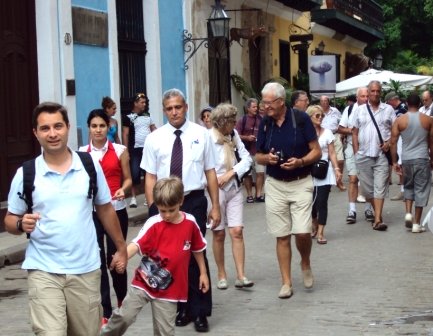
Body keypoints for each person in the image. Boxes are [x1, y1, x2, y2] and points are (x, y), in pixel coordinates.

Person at [4, 102, 127, 335]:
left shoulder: (89, 166)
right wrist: (20, 224)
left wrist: (121, 247)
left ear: (68, 127)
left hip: (85, 269)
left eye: (58, 126)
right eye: (45, 128)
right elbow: (10, 219)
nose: (52, 133)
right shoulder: (26, 174)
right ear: (35, 133)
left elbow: (105, 209)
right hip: (44, 270)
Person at [141, 88, 221, 332]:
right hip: (164, 205)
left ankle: (200, 311)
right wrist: (153, 208)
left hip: (193, 200)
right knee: (170, 257)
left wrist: (215, 206)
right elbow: (150, 175)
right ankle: (181, 307)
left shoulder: (201, 134)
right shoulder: (154, 138)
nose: (174, 112)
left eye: (178, 107)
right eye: (169, 108)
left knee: (195, 254)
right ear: (164, 111)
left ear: (186, 107)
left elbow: (210, 171)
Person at [101, 177, 209, 336]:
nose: (166, 215)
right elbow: (136, 244)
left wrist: (203, 272)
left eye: (171, 210)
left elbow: (198, 248)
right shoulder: (154, 223)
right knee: (125, 316)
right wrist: (123, 256)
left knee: (164, 332)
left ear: (181, 201)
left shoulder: (190, 223)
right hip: (143, 282)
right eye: (162, 210)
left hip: (170, 290)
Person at [256, 85, 321, 299]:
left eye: (268, 102)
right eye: (263, 102)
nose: (264, 106)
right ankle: (286, 282)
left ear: (281, 102)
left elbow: (317, 151)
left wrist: (300, 161)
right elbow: (258, 155)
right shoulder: (265, 123)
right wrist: (268, 159)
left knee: (302, 232)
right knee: (282, 235)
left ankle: (305, 261)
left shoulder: (301, 119)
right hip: (275, 184)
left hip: (301, 181)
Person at [79, 109, 132, 325]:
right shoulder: (81, 153)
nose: (98, 130)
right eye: (94, 126)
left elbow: (128, 179)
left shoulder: (120, 150)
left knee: (116, 257)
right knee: (98, 261)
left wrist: (123, 189)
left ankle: (121, 299)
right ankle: (105, 309)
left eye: (102, 126)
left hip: (117, 210)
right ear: (89, 128)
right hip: (92, 213)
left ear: (108, 127)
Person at [208, 103, 254, 290]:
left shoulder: (233, 135)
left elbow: (247, 158)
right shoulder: (208, 138)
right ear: (223, 122)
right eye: (232, 121)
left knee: (237, 231)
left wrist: (232, 172)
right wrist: (214, 179)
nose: (235, 124)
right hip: (214, 189)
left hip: (233, 186)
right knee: (218, 233)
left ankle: (241, 275)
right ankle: (221, 273)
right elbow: (204, 164)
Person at [352, 80, 396, 231]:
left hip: (381, 156)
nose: (375, 93)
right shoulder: (359, 110)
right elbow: (354, 132)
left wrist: (389, 143)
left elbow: (395, 132)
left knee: (379, 187)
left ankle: (377, 219)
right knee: (366, 190)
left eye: (378, 91)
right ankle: (376, 212)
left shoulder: (388, 109)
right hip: (363, 155)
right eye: (373, 91)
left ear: (380, 92)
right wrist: (356, 152)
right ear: (368, 93)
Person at [390, 92, 433, 233]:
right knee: (421, 189)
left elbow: (393, 142)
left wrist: (395, 161)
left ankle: (408, 212)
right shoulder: (428, 120)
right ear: (420, 103)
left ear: (407, 104)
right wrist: (432, 158)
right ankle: (416, 223)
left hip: (407, 159)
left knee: (408, 186)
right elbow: (431, 143)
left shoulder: (400, 120)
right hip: (422, 158)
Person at [307, 105, 342, 244]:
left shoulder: (327, 132)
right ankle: (314, 222)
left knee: (322, 202)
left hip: (324, 170)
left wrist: (337, 169)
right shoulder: (305, 133)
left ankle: (321, 232)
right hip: (309, 171)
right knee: (311, 203)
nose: (320, 118)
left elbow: (332, 153)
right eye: (317, 115)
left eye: (322, 115)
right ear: (310, 117)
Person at [338, 88, 373, 224]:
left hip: (368, 149)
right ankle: (352, 210)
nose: (365, 98)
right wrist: (352, 131)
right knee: (353, 179)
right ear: (357, 97)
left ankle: (368, 209)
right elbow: (340, 128)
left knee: (367, 181)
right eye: (362, 96)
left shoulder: (372, 109)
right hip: (352, 148)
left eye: (367, 96)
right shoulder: (350, 110)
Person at [122, 92, 157, 208]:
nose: (144, 104)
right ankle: (133, 198)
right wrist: (126, 150)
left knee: (148, 172)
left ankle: (149, 197)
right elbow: (125, 134)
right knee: (134, 173)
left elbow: (154, 129)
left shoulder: (148, 115)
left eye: (145, 102)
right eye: (142, 102)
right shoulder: (128, 117)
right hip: (135, 149)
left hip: (147, 149)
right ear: (135, 103)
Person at [235, 98, 265, 203]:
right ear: (248, 108)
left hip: (258, 151)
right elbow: (236, 135)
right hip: (247, 152)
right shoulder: (242, 120)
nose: (256, 109)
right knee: (247, 175)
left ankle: (258, 194)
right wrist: (247, 138)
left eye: (256, 106)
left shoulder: (261, 120)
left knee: (260, 173)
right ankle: (249, 195)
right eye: (254, 107)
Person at [385, 91, 408, 200]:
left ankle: (404, 190)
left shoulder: (402, 108)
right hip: (399, 140)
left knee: (401, 164)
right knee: (400, 164)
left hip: (402, 140)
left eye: (388, 102)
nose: (388, 104)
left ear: (393, 100)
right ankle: (403, 189)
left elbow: (397, 125)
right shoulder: (397, 108)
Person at [319, 95, 345, 191]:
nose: (324, 102)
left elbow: (342, 121)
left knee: (340, 160)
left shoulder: (335, 111)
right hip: (323, 137)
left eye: (326, 100)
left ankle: (339, 180)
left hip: (335, 136)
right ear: (320, 102)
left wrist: (342, 133)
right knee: (325, 160)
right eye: (322, 101)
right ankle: (327, 182)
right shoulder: (318, 112)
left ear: (328, 101)